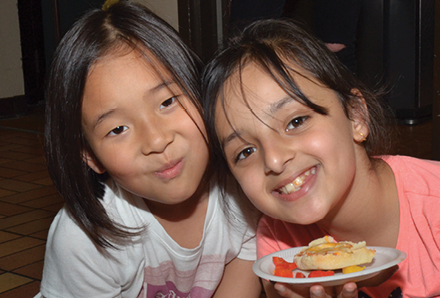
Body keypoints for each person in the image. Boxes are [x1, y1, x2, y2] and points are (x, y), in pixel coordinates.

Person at [34, 1, 263, 297]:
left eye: (167, 102)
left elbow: (242, 274)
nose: (156, 141)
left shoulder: (243, 193)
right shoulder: (84, 240)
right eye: (117, 129)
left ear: (199, 91)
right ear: (89, 155)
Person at [202, 18, 440, 298]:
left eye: (296, 121)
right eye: (245, 152)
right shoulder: (278, 246)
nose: (275, 161)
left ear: (356, 117)